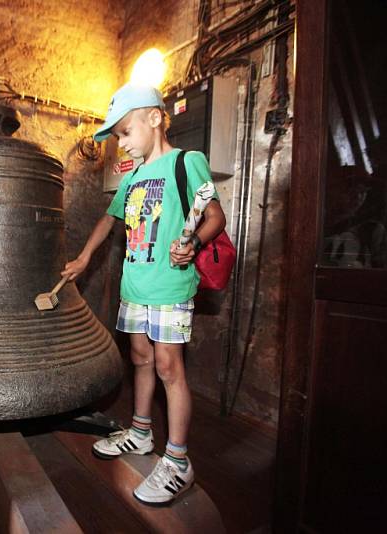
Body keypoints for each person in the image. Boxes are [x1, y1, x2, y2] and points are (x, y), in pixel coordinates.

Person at [62, 82, 226, 505]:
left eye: (126, 133)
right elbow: (108, 220)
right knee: (139, 358)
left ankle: (178, 461)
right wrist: (83, 258)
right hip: (134, 286)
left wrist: (193, 243)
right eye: (117, 138)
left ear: (154, 118)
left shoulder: (187, 162)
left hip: (170, 285)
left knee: (170, 367)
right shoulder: (132, 177)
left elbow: (214, 215)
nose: (122, 145)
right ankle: (140, 433)